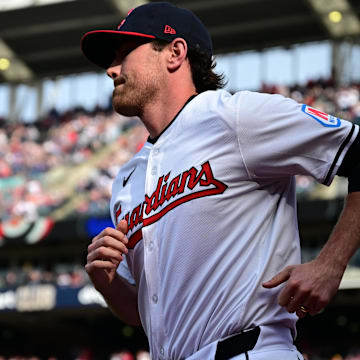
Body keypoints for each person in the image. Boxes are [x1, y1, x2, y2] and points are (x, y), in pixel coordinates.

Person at [81, 2, 360, 359]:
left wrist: (331, 264)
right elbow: (141, 313)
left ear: (174, 53)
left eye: (124, 53)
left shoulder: (235, 117)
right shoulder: (127, 179)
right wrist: (106, 283)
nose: (111, 69)